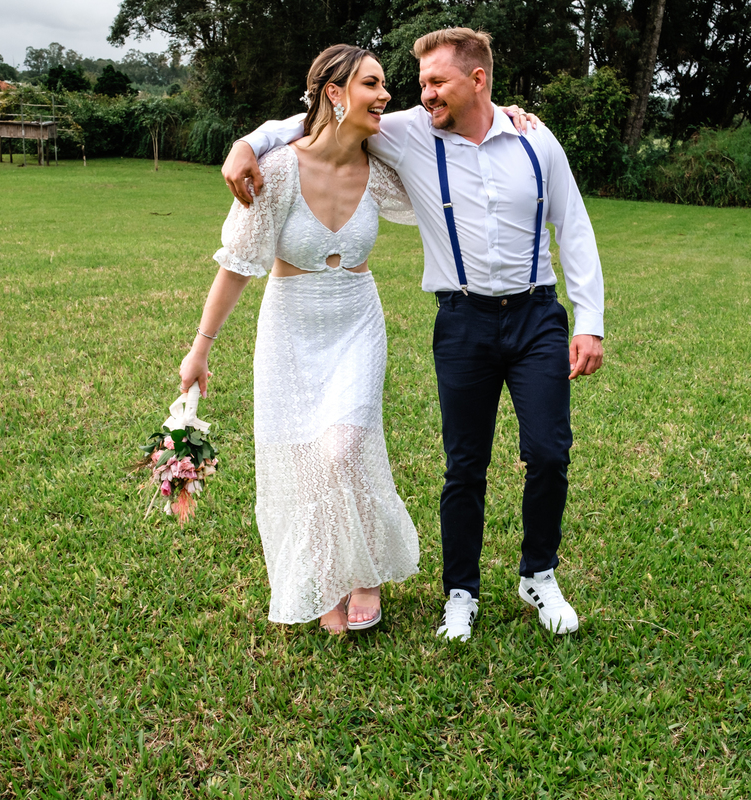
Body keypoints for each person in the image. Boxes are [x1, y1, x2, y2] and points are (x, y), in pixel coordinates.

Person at [225, 28, 604, 643]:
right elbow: (321, 115)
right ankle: (461, 593)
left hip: (537, 315)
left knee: (550, 452)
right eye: (419, 81)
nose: (421, 93)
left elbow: (576, 227)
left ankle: (540, 575)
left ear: (477, 80)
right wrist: (250, 141)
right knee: (465, 463)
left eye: (436, 81)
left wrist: (588, 321)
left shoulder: (537, 140)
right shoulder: (409, 133)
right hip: (461, 321)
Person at [178, 45, 422, 635]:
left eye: (386, 83)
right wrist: (200, 347)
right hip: (291, 325)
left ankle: (364, 571)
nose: (386, 94)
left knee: (345, 448)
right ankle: (328, 577)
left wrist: (508, 114)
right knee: (305, 459)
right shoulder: (279, 169)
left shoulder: (383, 167)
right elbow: (237, 265)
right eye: (372, 83)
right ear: (335, 94)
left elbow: (450, 159)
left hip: (357, 318)